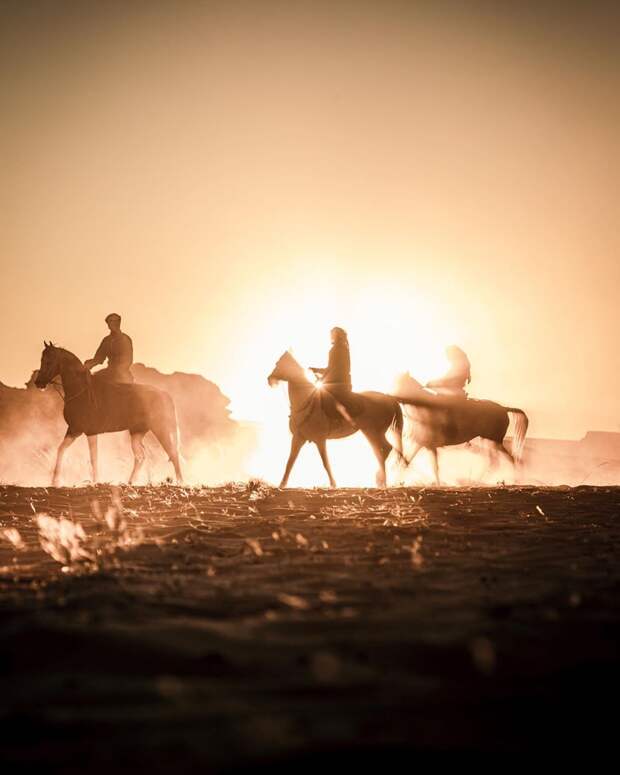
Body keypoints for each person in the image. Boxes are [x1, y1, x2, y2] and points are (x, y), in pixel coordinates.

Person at [310, 327, 359, 424]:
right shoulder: (341, 347)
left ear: (336, 335)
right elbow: (331, 368)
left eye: (332, 334)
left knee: (320, 395)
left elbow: (332, 369)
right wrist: (316, 371)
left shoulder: (337, 348)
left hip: (339, 382)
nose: (330, 336)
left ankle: (339, 420)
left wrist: (321, 377)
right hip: (341, 380)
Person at [84, 313, 134, 383]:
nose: (113, 323)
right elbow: (99, 358)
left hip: (123, 375)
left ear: (119, 323)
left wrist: (118, 372)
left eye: (115, 321)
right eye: (110, 321)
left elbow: (128, 360)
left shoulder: (125, 339)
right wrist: (88, 364)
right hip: (109, 372)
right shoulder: (106, 340)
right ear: (108, 325)